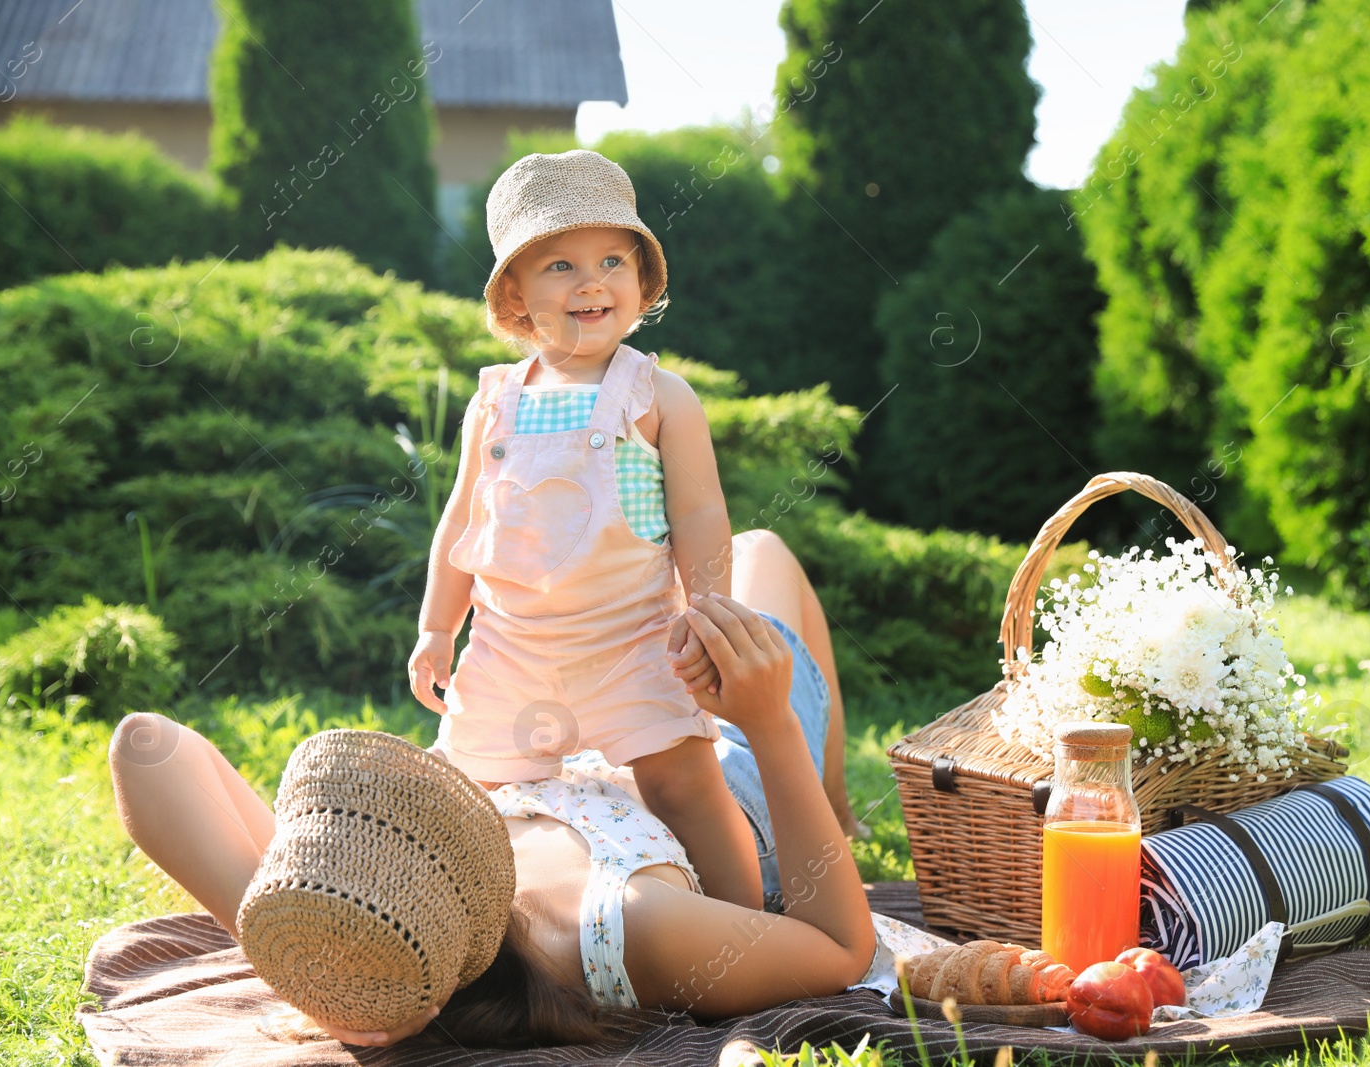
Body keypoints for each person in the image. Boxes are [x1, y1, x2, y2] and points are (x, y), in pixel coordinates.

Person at [108, 532, 944, 1049]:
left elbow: (146, 745)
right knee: (764, 553)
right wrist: (768, 723)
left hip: (622, 749)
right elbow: (840, 947)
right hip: (737, 777)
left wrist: (304, 973)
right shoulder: (629, 924)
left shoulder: (363, 921)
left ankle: (831, 808)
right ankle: (829, 815)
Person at [405, 148, 753, 910]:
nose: (591, 281)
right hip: (509, 647)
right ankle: (459, 923)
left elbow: (699, 514)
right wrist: (438, 628)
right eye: (559, 266)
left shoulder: (657, 394)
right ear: (516, 297)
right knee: (465, 786)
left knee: (684, 779)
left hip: (631, 642)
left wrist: (709, 612)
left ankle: (744, 929)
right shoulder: (494, 402)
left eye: (610, 261)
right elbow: (461, 519)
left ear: (640, 281)